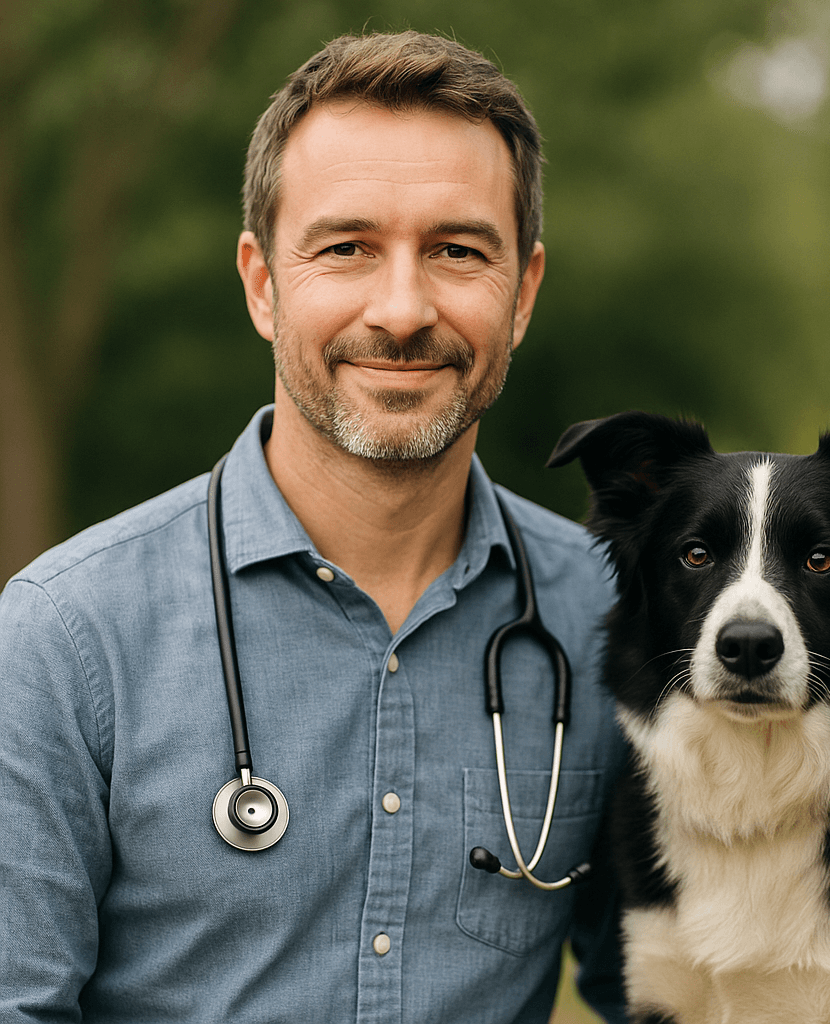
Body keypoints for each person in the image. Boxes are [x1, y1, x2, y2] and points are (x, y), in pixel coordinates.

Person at [0, 30, 628, 1024]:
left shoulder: (616, 622)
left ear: (524, 293)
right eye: (348, 247)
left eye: (458, 251)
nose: (403, 307)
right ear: (261, 282)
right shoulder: (66, 636)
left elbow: (686, 984)